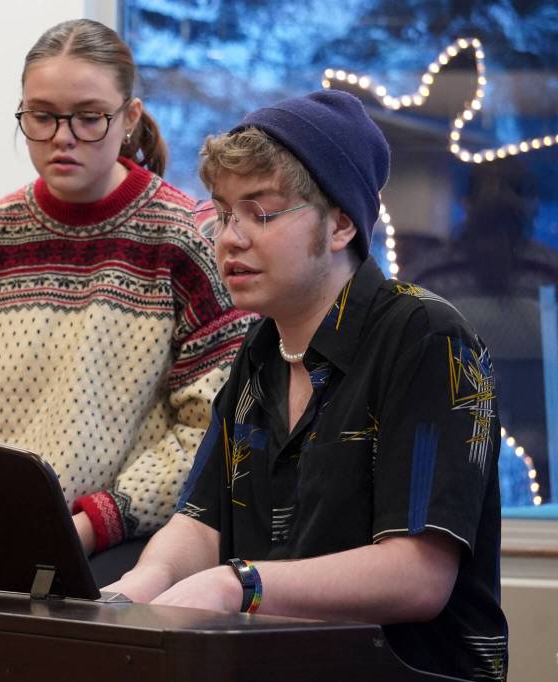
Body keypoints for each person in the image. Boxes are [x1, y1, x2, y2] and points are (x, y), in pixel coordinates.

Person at [106, 90, 508, 681]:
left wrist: (238, 585)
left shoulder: (425, 336)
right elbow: (200, 522)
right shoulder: (259, 350)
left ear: (340, 223)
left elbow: (418, 576)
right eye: (225, 213)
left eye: (261, 213)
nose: (230, 238)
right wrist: (134, 589)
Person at [0, 19, 255, 574]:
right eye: (42, 116)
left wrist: (93, 523)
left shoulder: (188, 243)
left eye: (89, 117)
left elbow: (212, 429)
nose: (63, 137)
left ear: (129, 118)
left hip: (137, 550)